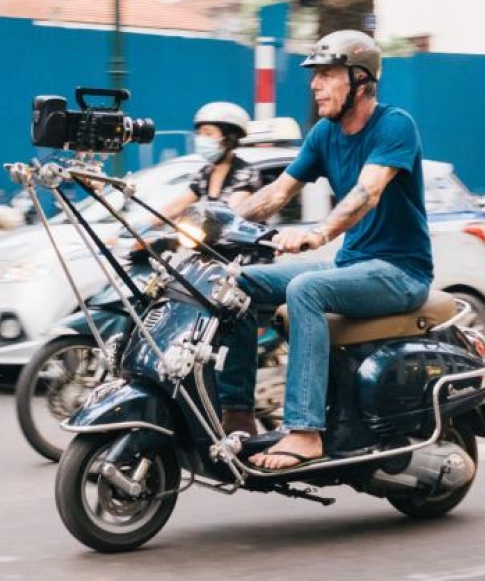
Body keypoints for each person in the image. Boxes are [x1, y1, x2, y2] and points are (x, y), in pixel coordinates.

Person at [215, 30, 434, 470]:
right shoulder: (323, 134)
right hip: (352, 266)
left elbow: (367, 192)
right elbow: (278, 193)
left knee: (306, 290)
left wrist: (319, 233)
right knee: (235, 284)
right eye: (314, 75)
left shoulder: (394, 126)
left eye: (328, 74)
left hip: (400, 272)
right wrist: (220, 221)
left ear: (361, 81)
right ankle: (237, 415)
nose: (315, 85)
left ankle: (305, 432)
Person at [133, 102, 261, 233]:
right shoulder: (205, 173)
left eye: (208, 134)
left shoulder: (245, 173)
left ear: (229, 138)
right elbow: (177, 206)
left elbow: (233, 213)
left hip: (237, 242)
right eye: (199, 133)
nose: (201, 139)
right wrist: (144, 224)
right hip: (206, 241)